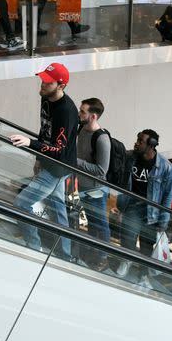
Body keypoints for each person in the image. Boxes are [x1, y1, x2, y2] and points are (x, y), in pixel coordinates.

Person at [11, 62, 79, 258]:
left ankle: (34, 247)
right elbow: (44, 130)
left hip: (57, 167)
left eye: (48, 82)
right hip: (48, 163)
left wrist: (30, 144)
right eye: (42, 79)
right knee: (59, 212)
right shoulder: (46, 98)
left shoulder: (66, 111)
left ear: (61, 86)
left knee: (22, 204)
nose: (42, 84)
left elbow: (59, 150)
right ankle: (66, 255)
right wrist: (38, 157)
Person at [116, 129, 172, 278]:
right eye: (138, 139)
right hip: (132, 206)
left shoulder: (165, 166)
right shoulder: (130, 157)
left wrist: (164, 220)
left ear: (151, 145)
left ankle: (143, 275)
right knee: (128, 238)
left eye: (141, 141)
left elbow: (167, 195)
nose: (136, 143)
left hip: (152, 210)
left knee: (146, 246)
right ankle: (126, 261)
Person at [75, 97, 111, 271]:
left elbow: (101, 170)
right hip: (82, 187)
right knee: (90, 222)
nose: (79, 113)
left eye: (83, 111)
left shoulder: (102, 139)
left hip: (96, 190)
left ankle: (103, 258)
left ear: (94, 116)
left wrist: (76, 162)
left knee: (101, 225)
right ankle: (92, 253)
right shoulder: (82, 129)